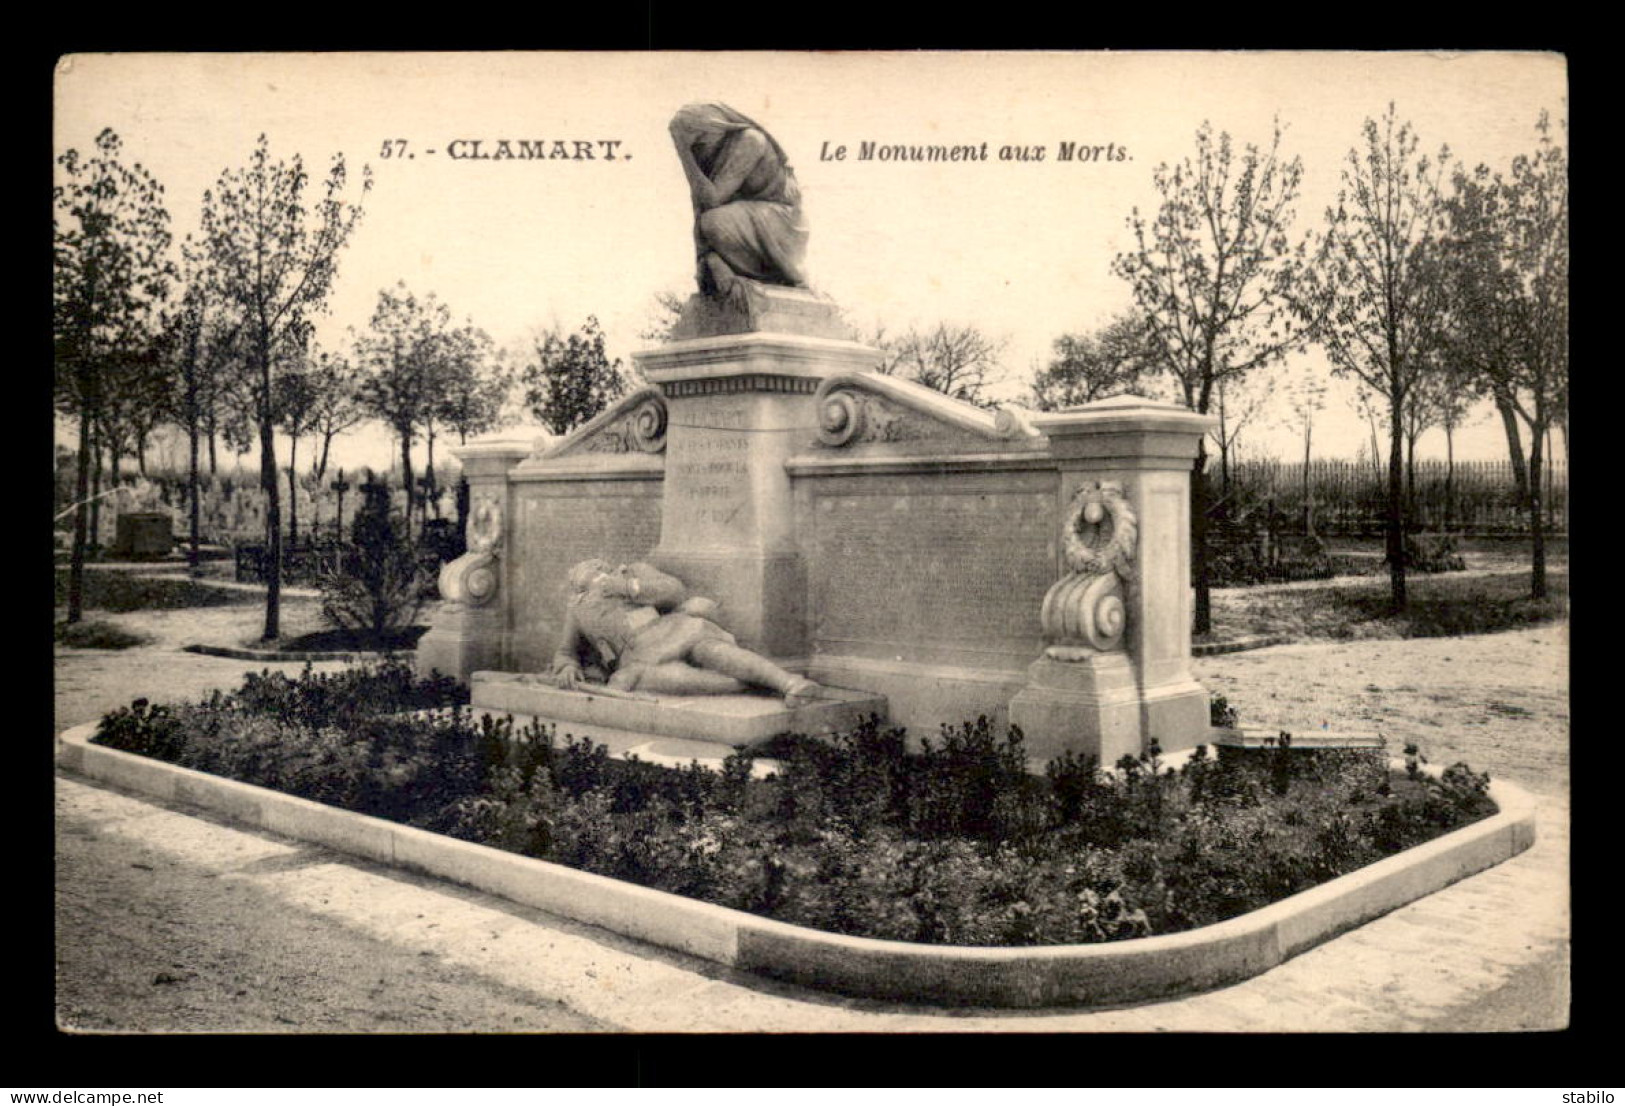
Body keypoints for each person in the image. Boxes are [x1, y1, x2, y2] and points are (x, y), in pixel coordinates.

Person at [552, 558, 820, 708]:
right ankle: (757, 684)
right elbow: (566, 651)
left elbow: (674, 590)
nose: (590, 568)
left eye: (595, 565)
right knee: (681, 681)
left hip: (669, 630)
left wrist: (625, 586)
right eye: (582, 569)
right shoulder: (578, 608)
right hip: (637, 659)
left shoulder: (633, 571)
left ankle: (789, 683)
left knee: (713, 651)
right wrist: (566, 667)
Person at [668, 102, 809, 308]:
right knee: (710, 221)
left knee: (714, 222)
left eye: (696, 146)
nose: (697, 153)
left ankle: (779, 273)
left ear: (712, 130)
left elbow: (712, 200)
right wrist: (707, 258)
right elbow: (700, 212)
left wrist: (684, 154)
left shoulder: (749, 141)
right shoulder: (712, 159)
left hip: (782, 223)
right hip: (751, 217)